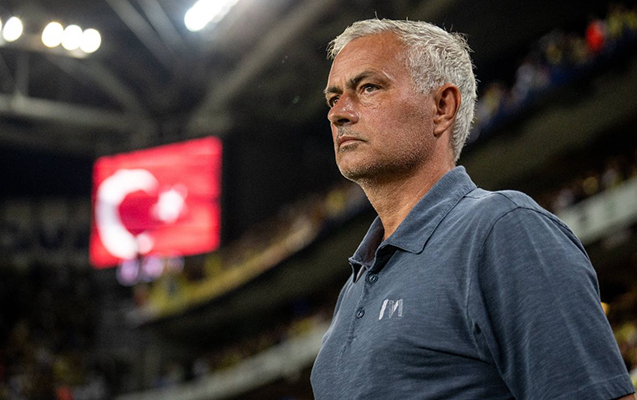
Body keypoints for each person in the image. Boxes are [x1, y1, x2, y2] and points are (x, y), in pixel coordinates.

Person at [310, 19, 636, 400]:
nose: (337, 113)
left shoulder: (503, 230)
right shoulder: (353, 288)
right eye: (333, 99)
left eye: (368, 87)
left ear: (442, 107)